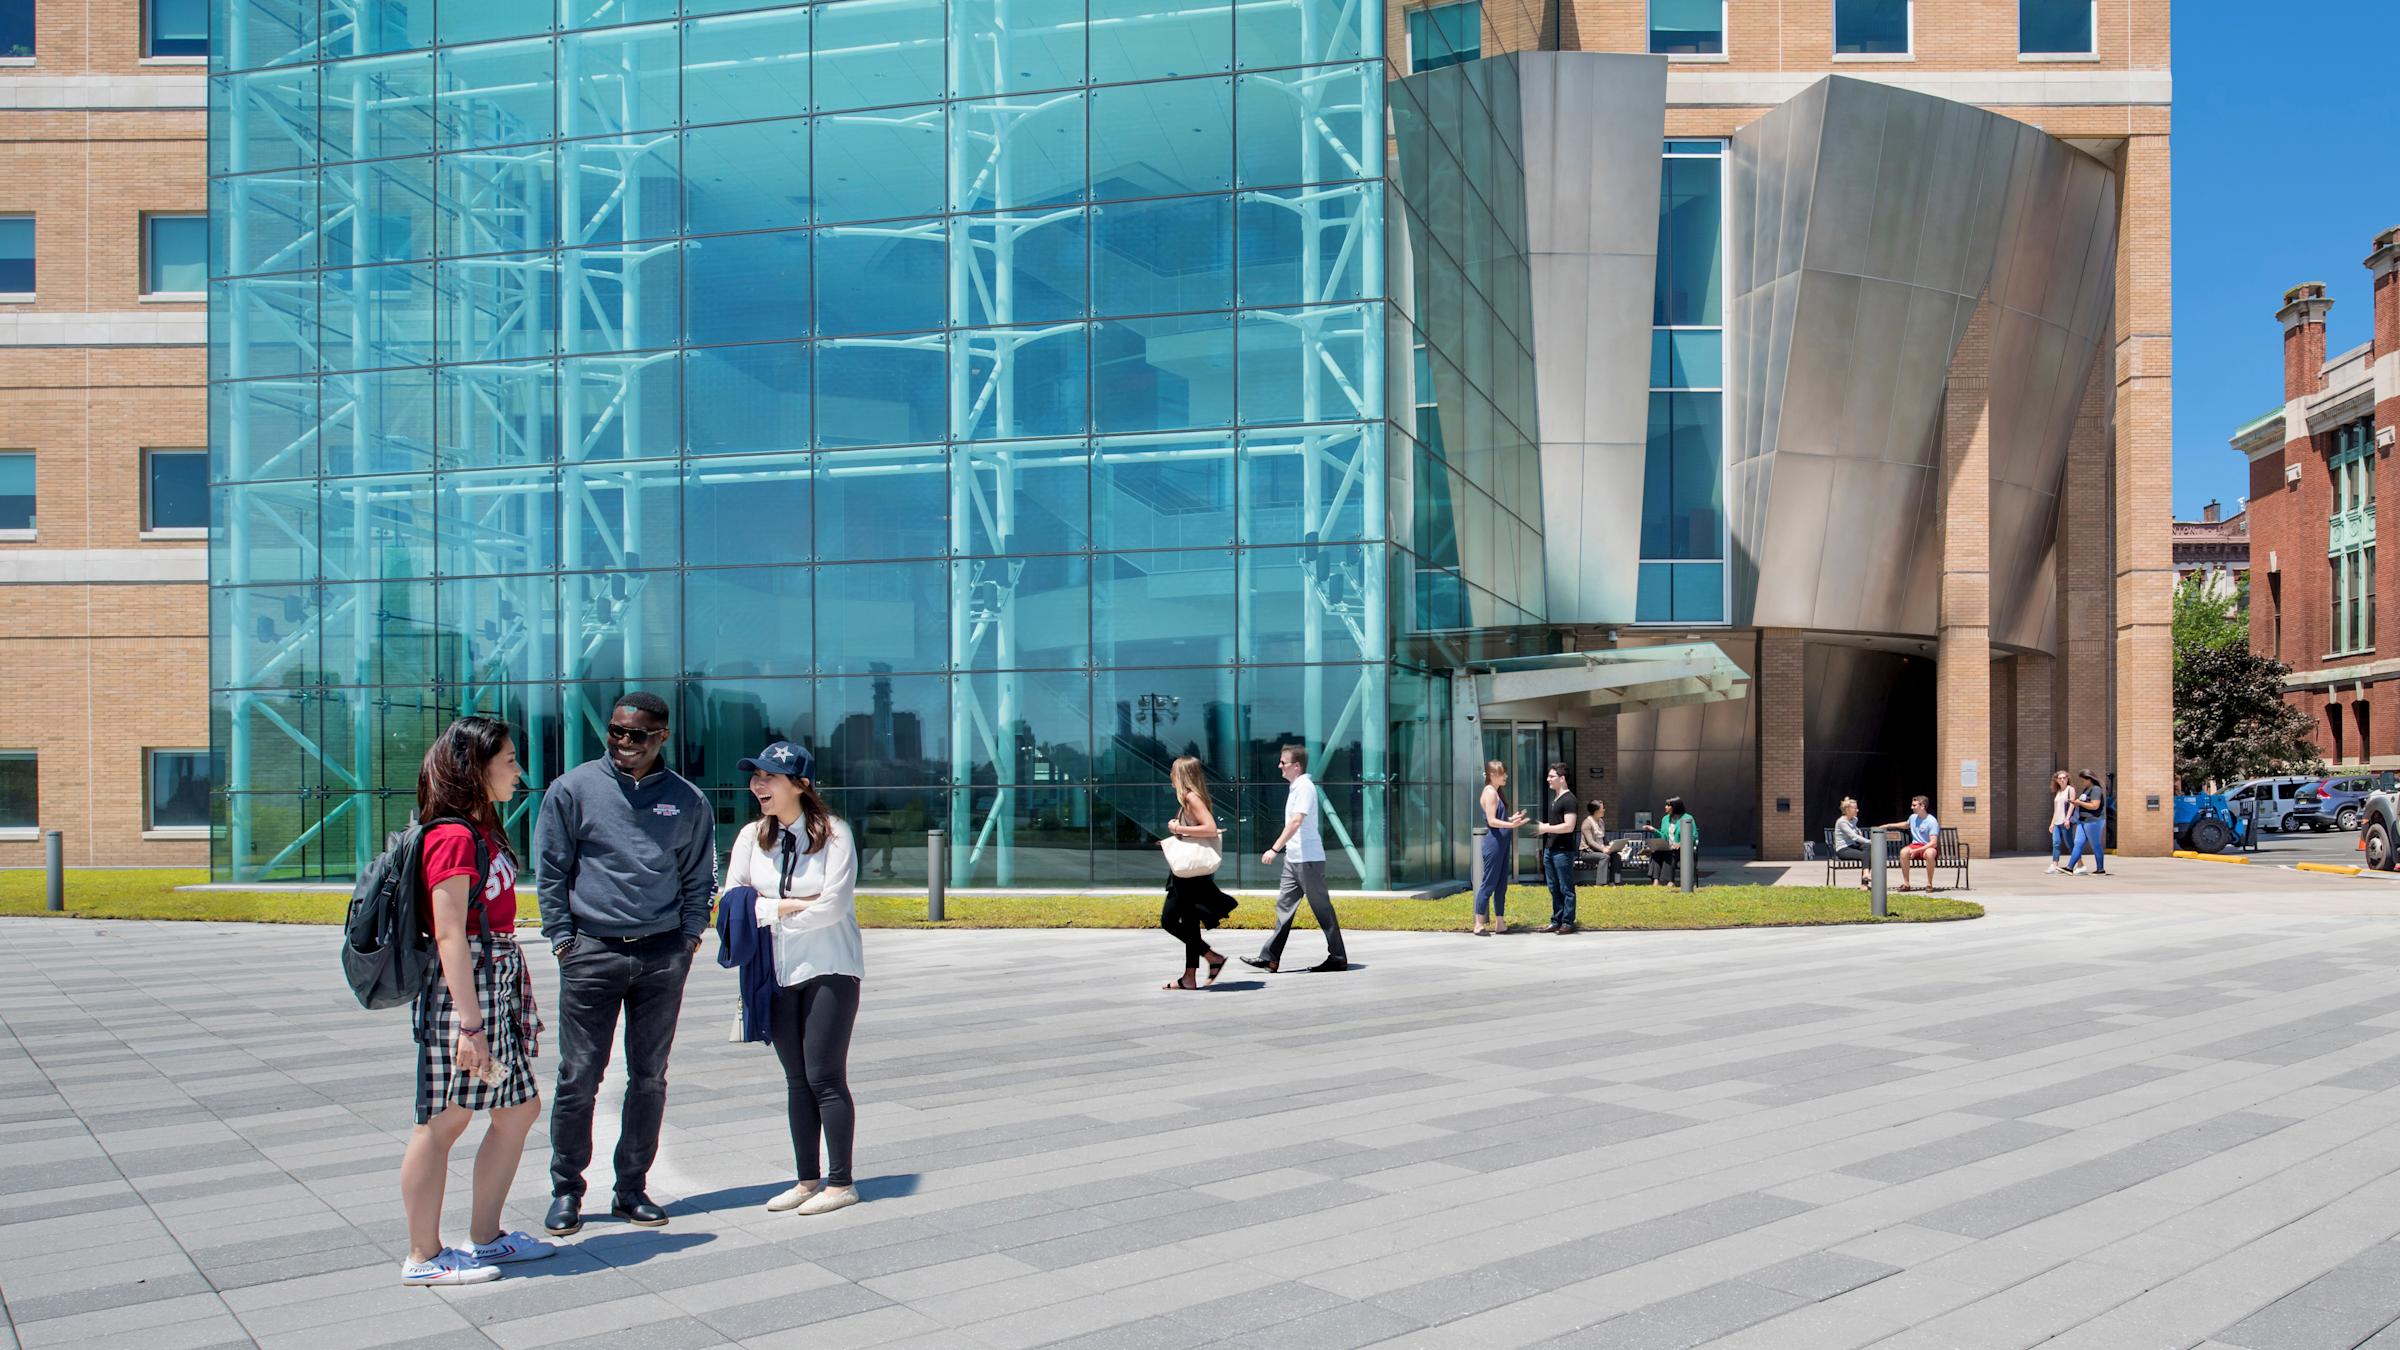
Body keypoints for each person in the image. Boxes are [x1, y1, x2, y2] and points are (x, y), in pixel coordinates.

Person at [536, 692, 717, 1237]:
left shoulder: (687, 801)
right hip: (592, 951)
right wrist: (565, 940)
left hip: (662, 955)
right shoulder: (572, 789)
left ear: (661, 737)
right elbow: (551, 871)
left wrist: (687, 939)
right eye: (615, 731)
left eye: (636, 735)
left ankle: (631, 1189)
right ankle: (567, 1190)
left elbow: (698, 877)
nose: (622, 743)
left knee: (649, 1078)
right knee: (578, 1077)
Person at [399, 716, 556, 1285]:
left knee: (517, 1108)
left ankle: (486, 1239)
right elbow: (448, 935)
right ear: (475, 767)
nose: (519, 770)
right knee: (444, 1120)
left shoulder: (480, 829)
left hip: (495, 983)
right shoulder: (451, 836)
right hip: (466, 994)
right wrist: (470, 1025)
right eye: (510, 760)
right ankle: (423, 1256)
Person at [724, 741, 865, 1217]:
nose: (758, 785)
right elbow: (731, 903)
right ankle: (807, 1180)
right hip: (774, 971)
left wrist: (769, 914)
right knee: (796, 1079)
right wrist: (782, 908)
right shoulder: (750, 837)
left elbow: (834, 908)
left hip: (830, 969)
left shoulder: (835, 834)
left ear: (800, 784)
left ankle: (841, 1182)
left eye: (769, 777)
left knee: (825, 1076)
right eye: (755, 776)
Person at [1243, 745, 1349, 973]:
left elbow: (1296, 821)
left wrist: (1274, 848)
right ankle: (1270, 958)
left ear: (1296, 766)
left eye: (1283, 762)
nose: (1279, 766)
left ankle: (1338, 957)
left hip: (1308, 860)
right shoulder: (1295, 788)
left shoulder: (1305, 787)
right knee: (1284, 908)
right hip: (1294, 860)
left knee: (1322, 910)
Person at [1159, 755, 1237, 988]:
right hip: (1186, 873)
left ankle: (1212, 958)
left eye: (1173, 771)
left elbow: (1211, 828)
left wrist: (1178, 828)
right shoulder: (1187, 799)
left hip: (1189, 874)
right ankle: (1190, 977)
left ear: (1181, 775)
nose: (1171, 775)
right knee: (1190, 922)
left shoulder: (1191, 797)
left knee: (1169, 920)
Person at [1472, 760, 1528, 937]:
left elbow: (1499, 818)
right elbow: (1492, 821)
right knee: (1489, 883)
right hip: (1494, 843)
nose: (1506, 776)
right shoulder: (1489, 793)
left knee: (1501, 884)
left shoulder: (1496, 793)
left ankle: (1500, 923)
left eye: (1505, 773)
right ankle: (1479, 924)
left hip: (1502, 843)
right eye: (1502, 773)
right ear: (1492, 775)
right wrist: (1511, 825)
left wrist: (1512, 819)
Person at [1534, 763, 1580, 934]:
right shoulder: (1556, 799)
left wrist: (1545, 828)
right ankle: (1556, 920)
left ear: (1562, 779)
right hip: (1550, 849)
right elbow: (1556, 824)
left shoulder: (1569, 800)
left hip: (1563, 851)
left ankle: (1567, 922)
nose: (1548, 779)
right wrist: (1543, 826)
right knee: (1553, 887)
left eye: (1551, 776)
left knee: (1566, 888)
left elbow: (1569, 826)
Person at [1880, 796, 1940, 892]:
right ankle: (1906, 884)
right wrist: (1888, 825)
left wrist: (1916, 850)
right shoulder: (1913, 817)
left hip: (1928, 846)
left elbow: (1933, 843)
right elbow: (1906, 825)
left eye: (1914, 805)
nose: (1912, 807)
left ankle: (1929, 884)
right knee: (1904, 852)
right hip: (1915, 845)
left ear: (1922, 806)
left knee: (1930, 853)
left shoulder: (1932, 821)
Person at [2065, 771, 2109, 876]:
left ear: (2089, 779)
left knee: (2096, 844)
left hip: (2094, 821)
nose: (2082, 782)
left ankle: (2100, 868)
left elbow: (2095, 805)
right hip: (2082, 820)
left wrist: (2079, 803)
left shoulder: (2096, 789)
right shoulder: (2086, 789)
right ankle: (2069, 867)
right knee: (2078, 843)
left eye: (2083, 780)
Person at [1648, 797, 1697, 886]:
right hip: (1668, 847)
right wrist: (1654, 831)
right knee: (1656, 853)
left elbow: (1694, 836)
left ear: (1675, 807)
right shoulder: (1665, 819)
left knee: (1671, 853)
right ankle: (1656, 881)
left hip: (1682, 849)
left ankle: (1669, 881)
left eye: (1668, 805)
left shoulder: (1687, 818)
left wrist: (1681, 843)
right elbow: (1664, 836)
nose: (1665, 807)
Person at [1576, 799, 1622, 886]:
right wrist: (1603, 849)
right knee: (1604, 857)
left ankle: (1614, 882)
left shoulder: (1601, 821)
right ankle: (1600, 884)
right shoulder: (1587, 823)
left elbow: (1604, 839)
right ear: (1596, 811)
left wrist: (1611, 846)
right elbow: (1590, 842)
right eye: (1602, 808)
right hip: (1587, 852)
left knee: (1617, 856)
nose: (1604, 810)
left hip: (1600, 850)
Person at [1832, 797, 1873, 889]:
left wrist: (1858, 831)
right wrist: (1870, 841)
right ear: (1847, 809)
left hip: (1851, 846)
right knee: (1866, 854)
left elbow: (1854, 829)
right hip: (1843, 849)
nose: (1857, 810)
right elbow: (1853, 836)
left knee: (1868, 848)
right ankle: (1865, 878)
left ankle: (1864, 883)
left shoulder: (1854, 819)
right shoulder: (1841, 822)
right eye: (1855, 808)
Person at [2044, 770, 2074, 873]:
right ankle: (2054, 865)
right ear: (2057, 780)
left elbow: (2072, 804)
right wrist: (2052, 823)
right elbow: (2056, 810)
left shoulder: (2070, 789)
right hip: (2057, 822)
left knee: (2069, 844)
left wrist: (2067, 819)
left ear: (2067, 779)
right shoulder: (2058, 792)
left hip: (2065, 821)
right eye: (2060, 778)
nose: (2062, 780)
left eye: (2064, 778)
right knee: (2056, 843)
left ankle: (2079, 863)